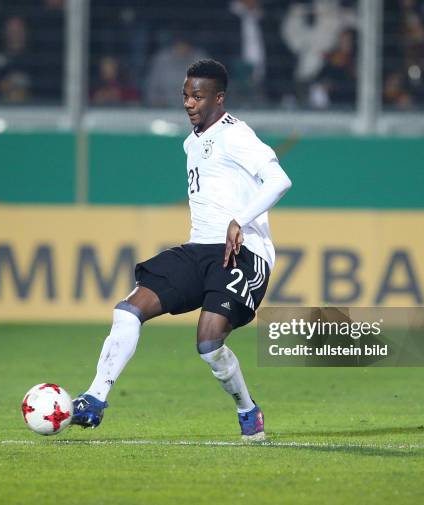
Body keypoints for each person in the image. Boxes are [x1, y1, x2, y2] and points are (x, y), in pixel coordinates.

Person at [72, 59, 292, 441]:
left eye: (198, 96)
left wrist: (239, 220)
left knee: (208, 343)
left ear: (219, 99)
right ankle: (94, 398)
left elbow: (279, 180)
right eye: (186, 95)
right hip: (198, 250)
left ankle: (247, 409)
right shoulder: (192, 141)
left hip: (242, 254)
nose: (189, 102)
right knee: (128, 310)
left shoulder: (235, 134)